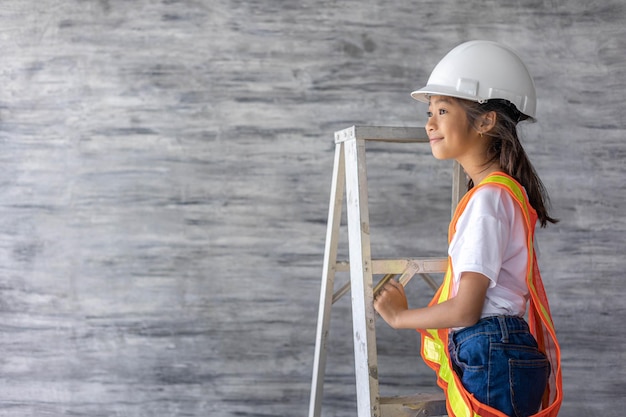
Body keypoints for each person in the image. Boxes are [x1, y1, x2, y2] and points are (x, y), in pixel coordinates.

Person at [373, 41, 563, 417]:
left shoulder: (487, 202)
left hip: (491, 347)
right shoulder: (501, 194)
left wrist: (399, 317)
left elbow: (465, 309)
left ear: (487, 120)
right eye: (430, 111)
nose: (430, 122)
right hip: (499, 348)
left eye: (443, 110)